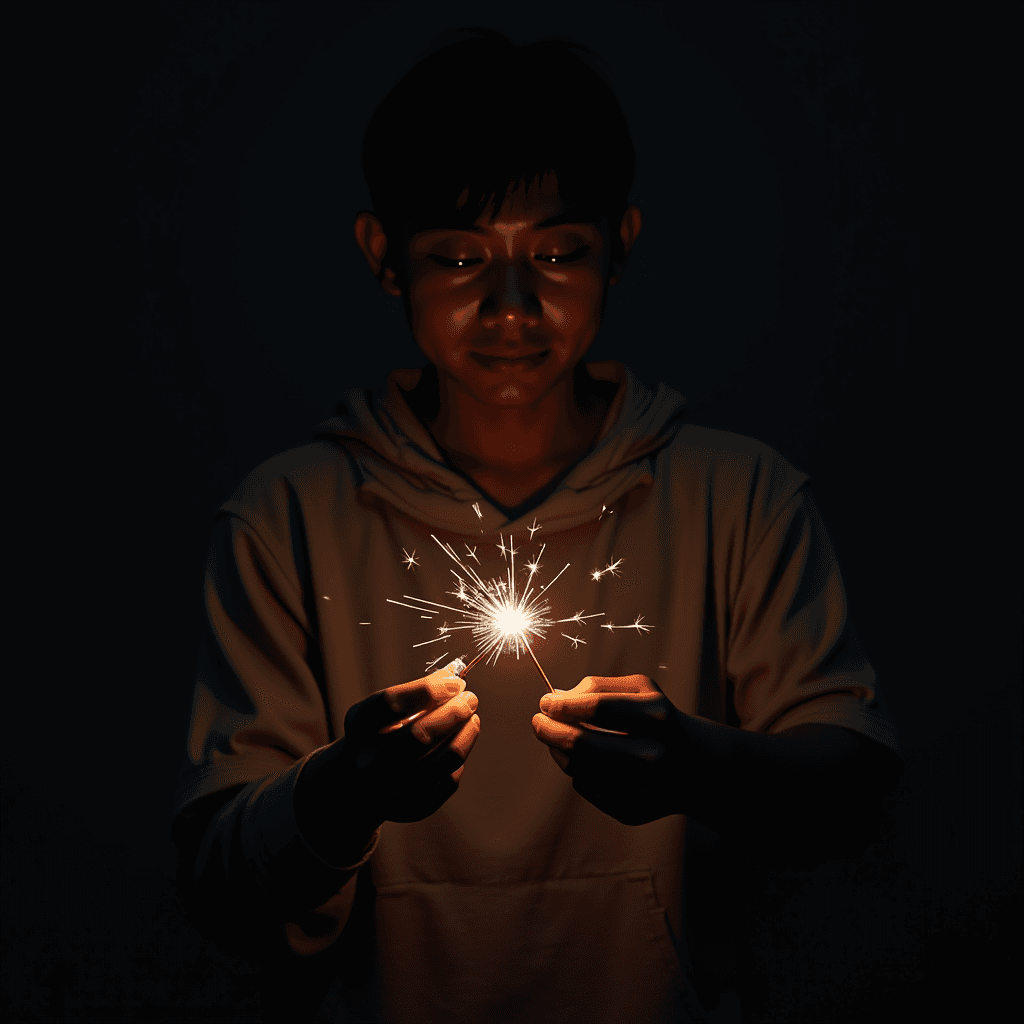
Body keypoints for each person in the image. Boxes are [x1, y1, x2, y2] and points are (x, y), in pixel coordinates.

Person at [171, 26, 904, 1024]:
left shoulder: (740, 496)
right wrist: (343, 792)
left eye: (556, 252)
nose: (511, 304)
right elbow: (219, 880)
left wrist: (700, 762)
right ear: (384, 256)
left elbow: (857, 788)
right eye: (460, 256)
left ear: (621, 245)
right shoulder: (283, 520)